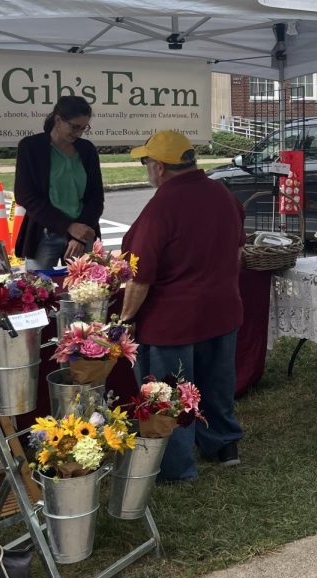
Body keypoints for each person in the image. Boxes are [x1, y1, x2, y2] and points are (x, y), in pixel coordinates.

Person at [119, 130, 245, 481]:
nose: (146, 169)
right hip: (222, 309)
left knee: (169, 393)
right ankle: (223, 446)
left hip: (172, 320)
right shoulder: (222, 193)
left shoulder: (162, 206)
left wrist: (125, 318)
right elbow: (237, 251)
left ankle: (175, 468)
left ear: (159, 167)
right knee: (217, 383)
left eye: (146, 162)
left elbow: (140, 276)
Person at [13, 96, 104, 271]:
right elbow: (25, 195)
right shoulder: (31, 147)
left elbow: (96, 197)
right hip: (44, 233)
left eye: (83, 128)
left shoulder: (87, 150)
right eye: (74, 127)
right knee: (38, 290)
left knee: (86, 291)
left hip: (83, 234)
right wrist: (68, 227)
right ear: (58, 120)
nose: (78, 133)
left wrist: (79, 235)